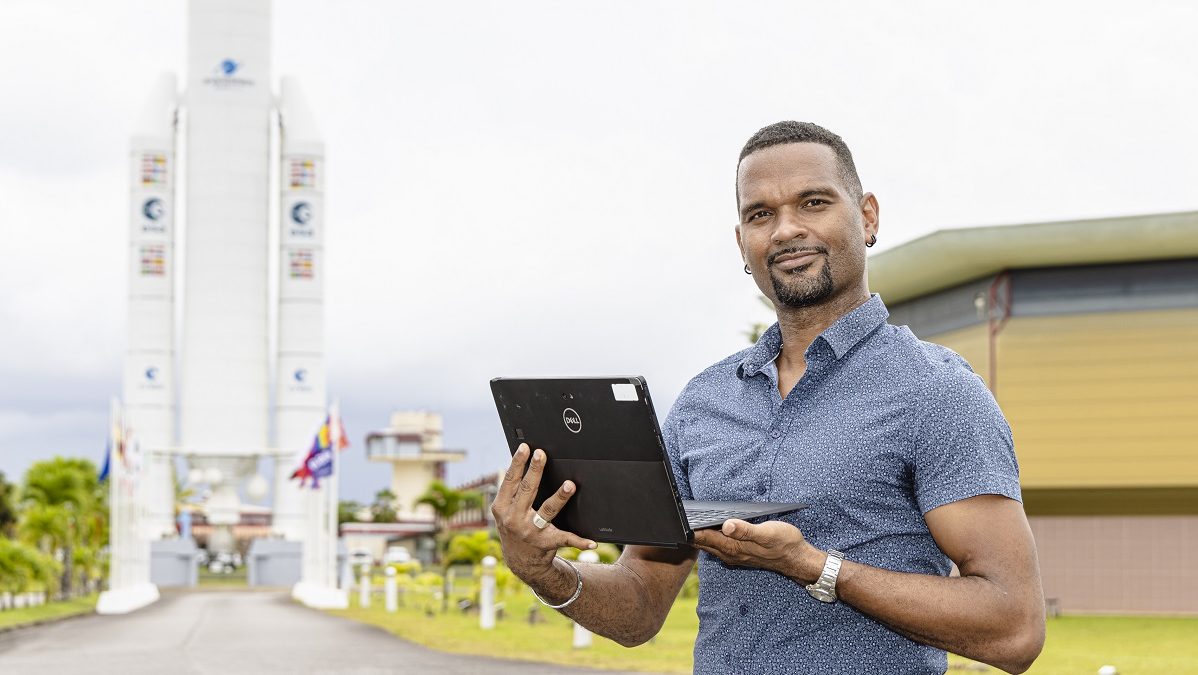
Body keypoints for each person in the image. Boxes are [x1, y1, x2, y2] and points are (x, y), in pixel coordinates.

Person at [491, 121, 1045, 674]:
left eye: (813, 202)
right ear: (742, 242)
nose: (785, 230)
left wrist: (813, 567)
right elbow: (639, 607)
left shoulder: (937, 390)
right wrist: (542, 570)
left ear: (868, 216)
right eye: (760, 214)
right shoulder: (703, 402)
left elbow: (1014, 629)